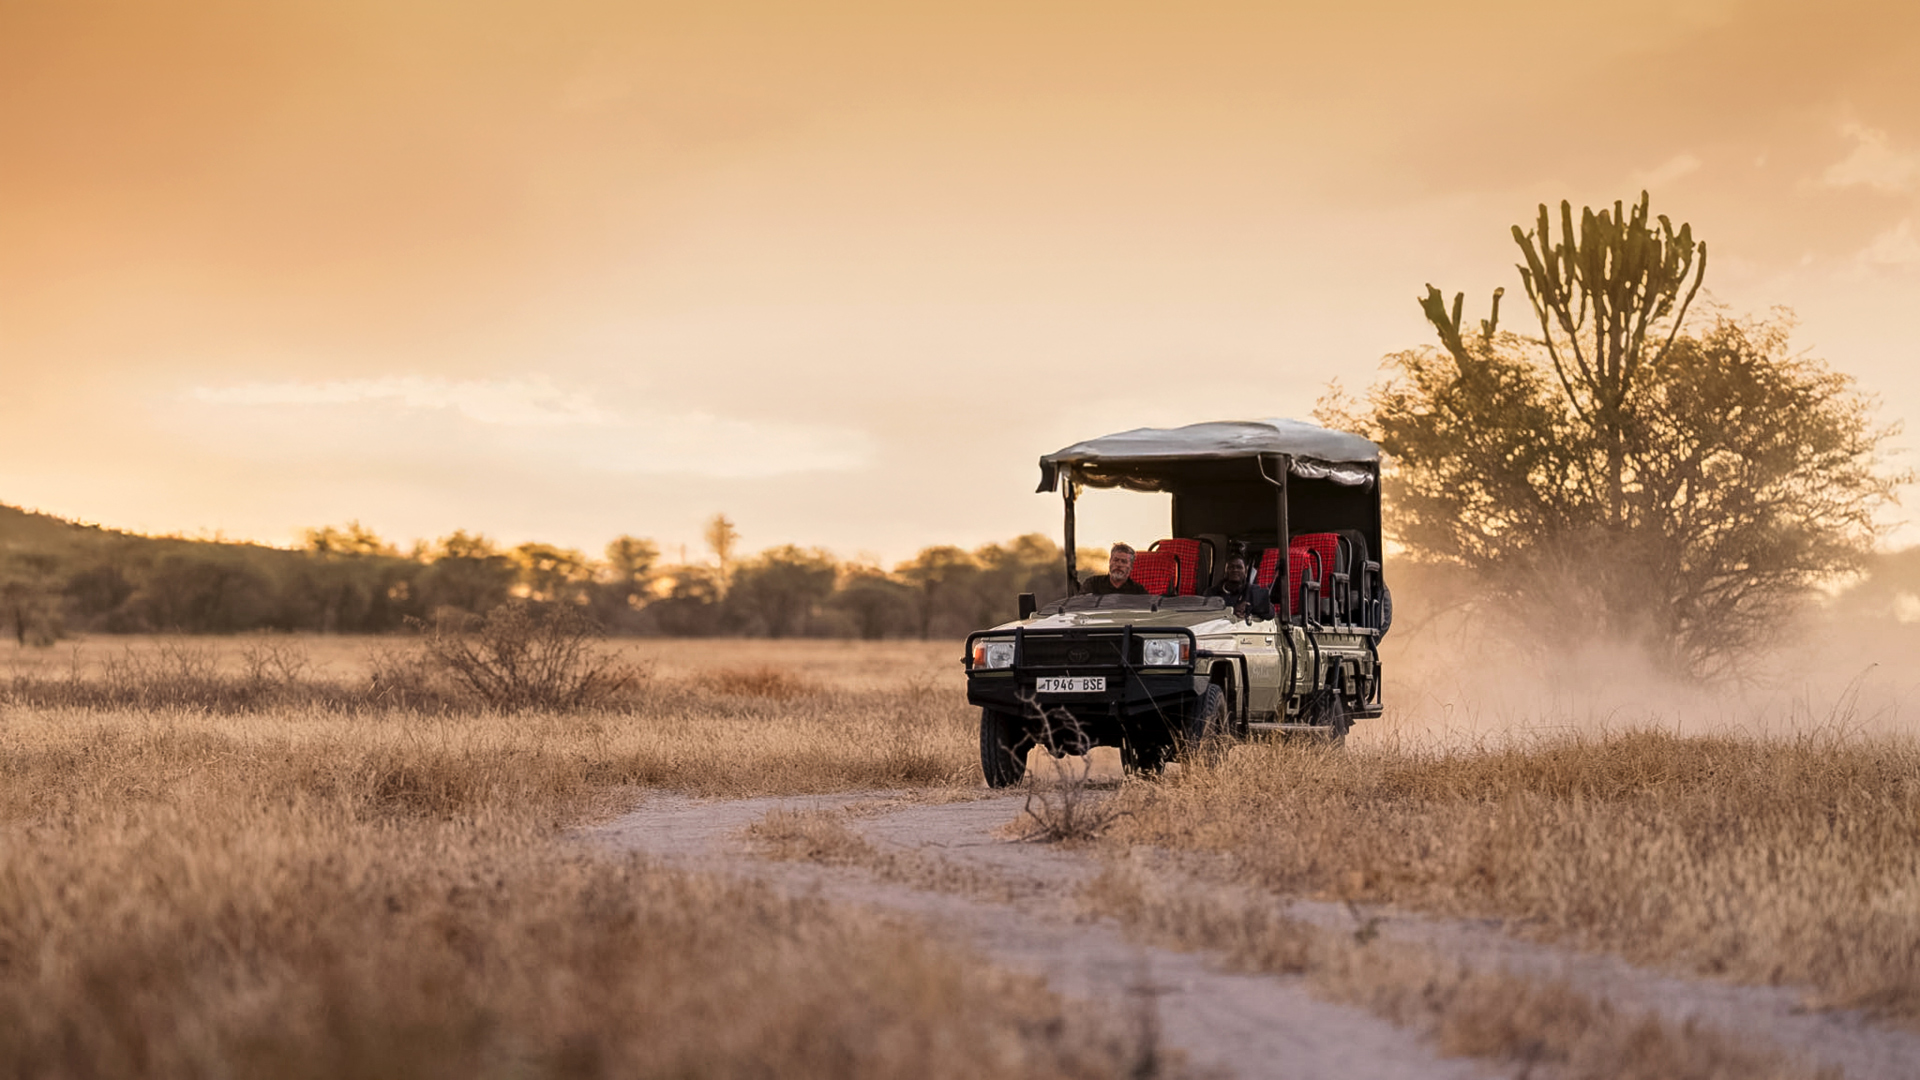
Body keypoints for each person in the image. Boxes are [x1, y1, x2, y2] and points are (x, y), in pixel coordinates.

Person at [1211, 547, 1274, 620]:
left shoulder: (1253, 591)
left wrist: (1249, 608)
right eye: (1231, 567)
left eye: (1239, 567)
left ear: (1246, 572)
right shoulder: (1212, 592)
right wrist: (1232, 611)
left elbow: (1270, 614)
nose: (1235, 570)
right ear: (1226, 570)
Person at [1083, 542, 1147, 595]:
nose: (1119, 565)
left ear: (1131, 567)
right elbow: (1081, 605)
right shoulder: (1093, 584)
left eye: (1124, 562)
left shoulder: (1138, 591)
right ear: (1110, 562)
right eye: (1116, 560)